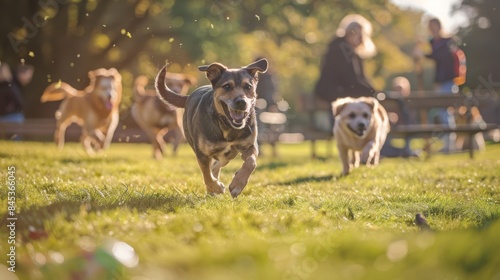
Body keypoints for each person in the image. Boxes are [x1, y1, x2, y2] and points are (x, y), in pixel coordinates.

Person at [314, 14, 377, 131]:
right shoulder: (342, 48)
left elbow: (359, 78)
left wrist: (372, 90)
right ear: (352, 33)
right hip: (334, 92)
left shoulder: (347, 49)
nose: (361, 39)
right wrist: (372, 92)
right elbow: (350, 79)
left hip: (336, 91)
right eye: (360, 35)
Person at [416, 18, 458, 152]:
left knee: (446, 113)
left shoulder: (448, 41)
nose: (433, 29)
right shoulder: (433, 42)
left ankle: (450, 144)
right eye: (430, 27)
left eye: (434, 26)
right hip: (439, 82)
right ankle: (447, 142)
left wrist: (424, 54)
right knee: (441, 112)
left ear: (440, 27)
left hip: (448, 81)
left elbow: (441, 56)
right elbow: (435, 56)